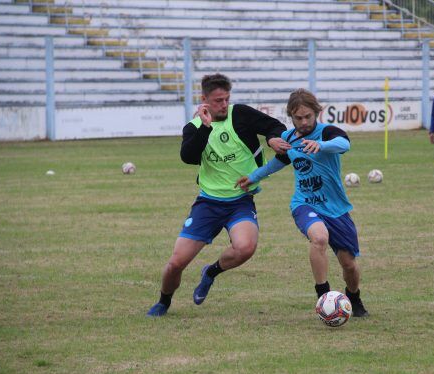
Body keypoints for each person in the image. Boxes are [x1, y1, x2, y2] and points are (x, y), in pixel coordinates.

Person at [147, 73, 290, 317]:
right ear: (204, 100)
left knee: (246, 248)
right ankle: (163, 301)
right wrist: (205, 127)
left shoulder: (241, 114)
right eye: (217, 101)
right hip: (208, 204)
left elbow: (274, 125)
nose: (223, 105)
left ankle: (211, 272)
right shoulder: (193, 127)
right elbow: (188, 157)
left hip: (240, 201)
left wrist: (273, 138)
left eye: (226, 99)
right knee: (176, 263)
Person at [236, 89, 369, 317]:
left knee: (349, 264)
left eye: (308, 116)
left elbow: (344, 143)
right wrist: (254, 177)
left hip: (336, 208)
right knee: (319, 238)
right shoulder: (289, 138)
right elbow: (277, 163)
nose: (304, 122)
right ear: (291, 116)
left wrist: (322, 145)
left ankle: (354, 297)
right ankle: (324, 298)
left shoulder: (326, 132)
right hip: (304, 203)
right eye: (298, 118)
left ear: (317, 112)